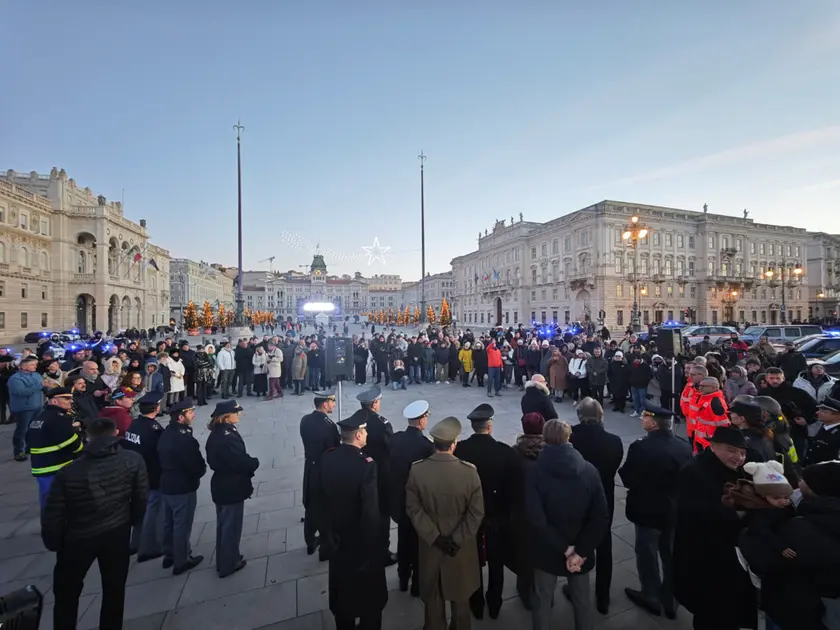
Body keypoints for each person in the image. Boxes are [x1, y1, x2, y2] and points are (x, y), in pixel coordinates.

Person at [43, 417, 148, 630]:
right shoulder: (132, 459)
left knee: (66, 593)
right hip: (117, 532)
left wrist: (54, 542)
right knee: (114, 589)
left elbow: (53, 512)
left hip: (77, 537)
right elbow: (141, 497)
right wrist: (132, 521)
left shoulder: (69, 470)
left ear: (88, 437)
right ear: (116, 432)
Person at [526, 419, 609, 630]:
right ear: (568, 437)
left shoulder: (534, 472)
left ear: (544, 439)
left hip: (547, 549)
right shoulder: (590, 471)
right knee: (582, 601)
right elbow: (600, 517)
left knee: (542, 600)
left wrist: (565, 548)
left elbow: (537, 519)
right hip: (580, 549)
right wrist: (580, 551)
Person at [672, 426, 755, 630]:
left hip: (728, 560)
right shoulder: (695, 472)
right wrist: (740, 513)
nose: (738, 457)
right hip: (705, 560)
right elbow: (694, 515)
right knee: (711, 614)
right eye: (731, 450)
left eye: (742, 452)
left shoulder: (734, 470)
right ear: (713, 446)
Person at [406, 417, 484, 630]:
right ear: (454, 444)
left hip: (431, 546)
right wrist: (456, 540)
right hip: (460, 548)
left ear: (434, 443)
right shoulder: (469, 472)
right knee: (461, 600)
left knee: (433, 600)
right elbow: (476, 513)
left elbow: (413, 509)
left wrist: (435, 538)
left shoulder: (417, 470)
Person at [619, 403, 692, 619]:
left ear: (653, 423)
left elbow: (628, 477)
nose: (642, 420)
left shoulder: (641, 447)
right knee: (669, 554)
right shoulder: (683, 446)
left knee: (647, 553)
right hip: (673, 510)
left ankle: (651, 596)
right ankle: (671, 600)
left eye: (644, 417)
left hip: (647, 510)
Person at [318, 409, 388, 630]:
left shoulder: (328, 458)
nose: (366, 435)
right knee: (370, 603)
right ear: (358, 435)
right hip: (360, 544)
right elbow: (370, 513)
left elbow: (319, 499)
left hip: (337, 541)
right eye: (365, 431)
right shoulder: (367, 465)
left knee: (342, 599)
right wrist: (375, 548)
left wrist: (327, 534)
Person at [454, 403, 520, 620]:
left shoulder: (461, 449)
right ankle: (494, 603)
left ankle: (476, 603)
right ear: (489, 426)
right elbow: (513, 489)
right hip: (497, 517)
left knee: (473, 562)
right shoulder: (504, 452)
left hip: (470, 517)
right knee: (496, 562)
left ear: (473, 426)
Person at [568, 397, 624, 615]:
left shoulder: (570, 437)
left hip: (576, 502)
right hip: (603, 500)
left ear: (580, 416)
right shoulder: (614, 441)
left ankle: (576, 590)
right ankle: (603, 597)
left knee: (576, 545)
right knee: (604, 548)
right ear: (601, 415)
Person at [206, 399, 260, 578]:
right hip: (231, 486)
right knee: (231, 527)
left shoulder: (219, 432)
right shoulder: (226, 437)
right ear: (226, 416)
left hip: (222, 484)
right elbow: (239, 460)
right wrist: (254, 463)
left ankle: (225, 558)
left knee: (224, 525)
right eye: (236, 413)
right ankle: (228, 564)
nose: (239, 415)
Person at [389, 399, 434, 596]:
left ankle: (402, 577)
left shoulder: (396, 439)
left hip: (400, 498)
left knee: (403, 538)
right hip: (418, 503)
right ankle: (417, 583)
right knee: (418, 543)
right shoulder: (426, 446)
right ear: (421, 420)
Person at [158, 397, 206, 574]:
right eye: (190, 413)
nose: (193, 415)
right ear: (180, 417)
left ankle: (169, 554)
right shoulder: (184, 439)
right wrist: (200, 472)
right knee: (182, 524)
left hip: (168, 483)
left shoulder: (168, 432)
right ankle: (182, 559)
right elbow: (194, 464)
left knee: (169, 522)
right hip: (182, 486)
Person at [351, 385, 396, 566]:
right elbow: (390, 448)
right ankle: (383, 552)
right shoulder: (382, 423)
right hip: (380, 474)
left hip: (359, 470)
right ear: (375, 403)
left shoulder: (356, 420)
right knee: (382, 513)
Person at [123, 391, 166, 562]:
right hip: (152, 476)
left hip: (136, 475)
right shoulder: (153, 429)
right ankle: (149, 547)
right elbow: (159, 454)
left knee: (141, 510)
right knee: (153, 511)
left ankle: (136, 543)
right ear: (156, 408)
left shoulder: (135, 424)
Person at [27, 386, 83, 510]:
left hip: (40, 467)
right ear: (54, 401)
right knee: (57, 504)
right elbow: (73, 444)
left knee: (47, 501)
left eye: (71, 398)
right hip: (57, 466)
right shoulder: (60, 419)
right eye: (66, 398)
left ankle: (48, 526)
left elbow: (28, 440)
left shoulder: (39, 417)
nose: (70, 401)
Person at [299, 389, 340, 559]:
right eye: (332, 402)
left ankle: (309, 541)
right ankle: (326, 547)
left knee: (310, 506)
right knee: (325, 508)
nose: (334, 405)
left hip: (310, 468)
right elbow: (334, 448)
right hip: (324, 471)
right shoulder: (329, 426)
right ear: (325, 404)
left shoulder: (305, 420)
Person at [8, 355, 44, 461]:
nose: (35, 367)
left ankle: (31, 447)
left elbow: (42, 386)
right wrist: (39, 386)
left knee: (34, 429)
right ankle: (18, 451)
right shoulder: (15, 379)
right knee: (22, 430)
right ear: (24, 366)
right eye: (33, 365)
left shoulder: (36, 375)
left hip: (38, 406)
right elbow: (20, 392)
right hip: (23, 409)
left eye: (35, 364)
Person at [803, 396, 840, 466]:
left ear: (838, 416)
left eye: (824, 411)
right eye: (819, 410)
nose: (817, 412)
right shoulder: (824, 428)